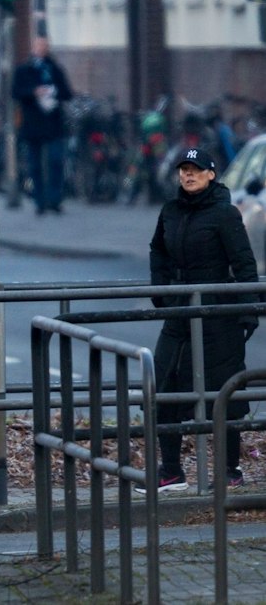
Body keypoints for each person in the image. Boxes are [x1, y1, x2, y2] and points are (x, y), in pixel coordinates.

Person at [143, 149, 260, 492]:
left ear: (211, 175)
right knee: (164, 384)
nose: (188, 175)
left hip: (216, 314)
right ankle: (171, 472)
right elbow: (157, 250)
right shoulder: (170, 211)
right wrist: (160, 290)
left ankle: (229, 470)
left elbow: (244, 263)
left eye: (195, 170)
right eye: (183, 170)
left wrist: (247, 310)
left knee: (223, 391)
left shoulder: (225, 214)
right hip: (179, 311)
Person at [11, 34, 73, 214]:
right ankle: (39, 201)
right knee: (35, 164)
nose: (42, 49)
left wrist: (54, 92)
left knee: (56, 160)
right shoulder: (24, 70)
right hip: (33, 123)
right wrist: (34, 92)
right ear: (33, 48)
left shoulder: (55, 69)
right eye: (39, 46)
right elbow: (16, 92)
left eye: (45, 46)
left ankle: (55, 199)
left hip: (53, 122)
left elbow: (67, 93)